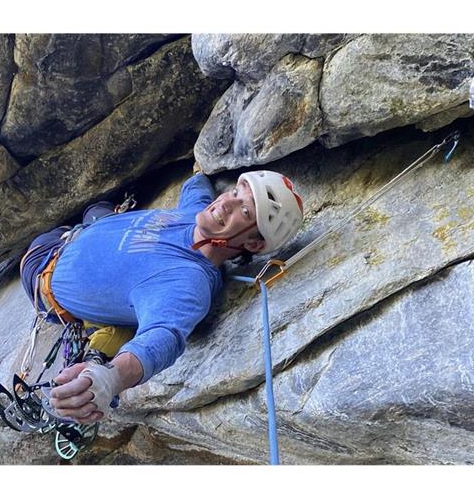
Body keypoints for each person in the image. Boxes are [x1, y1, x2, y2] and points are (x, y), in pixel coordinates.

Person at [19, 165, 304, 424]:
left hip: (40, 268)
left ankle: (102, 340)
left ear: (253, 245)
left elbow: (162, 337)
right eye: (235, 192)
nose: (226, 203)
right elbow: (196, 187)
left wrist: (111, 378)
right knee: (97, 210)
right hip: (83, 231)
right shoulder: (195, 213)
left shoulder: (187, 283)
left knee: (89, 216)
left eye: (245, 211)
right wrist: (201, 168)